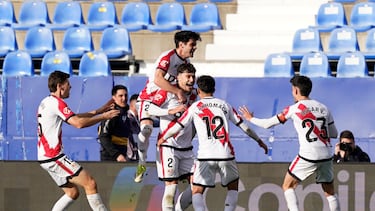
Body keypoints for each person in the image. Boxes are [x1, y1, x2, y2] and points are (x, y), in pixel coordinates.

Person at [157, 75, 268, 211]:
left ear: (198, 91)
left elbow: (178, 126)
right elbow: (244, 127)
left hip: (205, 156)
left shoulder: (195, 107)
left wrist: (164, 137)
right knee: (232, 187)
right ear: (214, 89)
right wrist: (259, 141)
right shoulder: (225, 105)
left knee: (197, 190)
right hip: (226, 154)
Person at [239, 75, 341, 211]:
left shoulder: (294, 108)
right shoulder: (323, 108)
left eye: (292, 89)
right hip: (326, 155)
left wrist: (250, 118)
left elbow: (267, 124)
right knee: (330, 192)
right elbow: (334, 134)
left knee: (288, 186)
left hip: (308, 155)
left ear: (296, 91)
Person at [37, 70, 120, 211]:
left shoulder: (46, 102)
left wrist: (98, 111)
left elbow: (74, 117)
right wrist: (104, 116)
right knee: (90, 183)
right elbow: (78, 123)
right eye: (68, 84)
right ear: (59, 86)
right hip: (54, 157)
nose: (70, 87)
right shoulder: (58, 103)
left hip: (45, 157)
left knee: (72, 193)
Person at [135, 30, 202, 183]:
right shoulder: (168, 57)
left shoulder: (186, 64)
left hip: (167, 98)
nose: (194, 48)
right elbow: (158, 80)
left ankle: (180, 166)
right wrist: (177, 91)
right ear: (181, 45)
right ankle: (142, 163)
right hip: (149, 98)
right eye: (192, 44)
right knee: (146, 129)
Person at [148, 63, 197, 211]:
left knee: (199, 185)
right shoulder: (167, 91)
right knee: (171, 187)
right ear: (179, 77)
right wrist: (170, 111)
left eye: (193, 76)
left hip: (187, 148)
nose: (191, 80)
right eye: (188, 76)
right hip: (168, 146)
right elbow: (149, 108)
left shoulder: (194, 95)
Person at [98, 85, 132, 162]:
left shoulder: (130, 112)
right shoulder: (111, 113)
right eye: (121, 96)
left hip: (127, 154)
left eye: (126, 95)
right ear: (114, 97)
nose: (124, 98)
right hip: (111, 157)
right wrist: (117, 155)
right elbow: (103, 136)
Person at [127, 94, 140, 161]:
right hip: (129, 154)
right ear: (132, 104)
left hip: (135, 154)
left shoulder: (137, 118)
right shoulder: (128, 117)